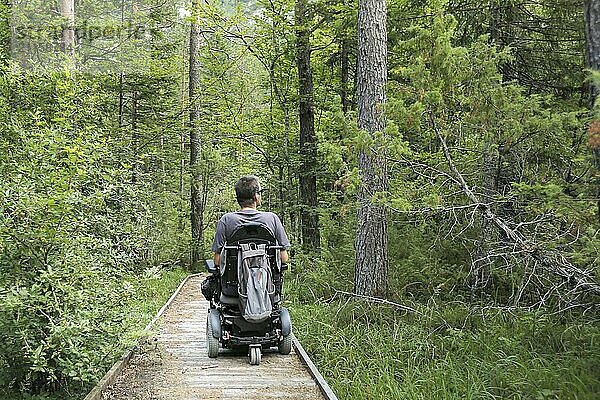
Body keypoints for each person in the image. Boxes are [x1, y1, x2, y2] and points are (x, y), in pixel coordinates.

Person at [211, 175, 290, 268]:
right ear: (256, 196)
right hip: (266, 281)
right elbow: (284, 258)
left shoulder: (226, 220)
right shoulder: (272, 219)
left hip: (234, 281)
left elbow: (217, 261)